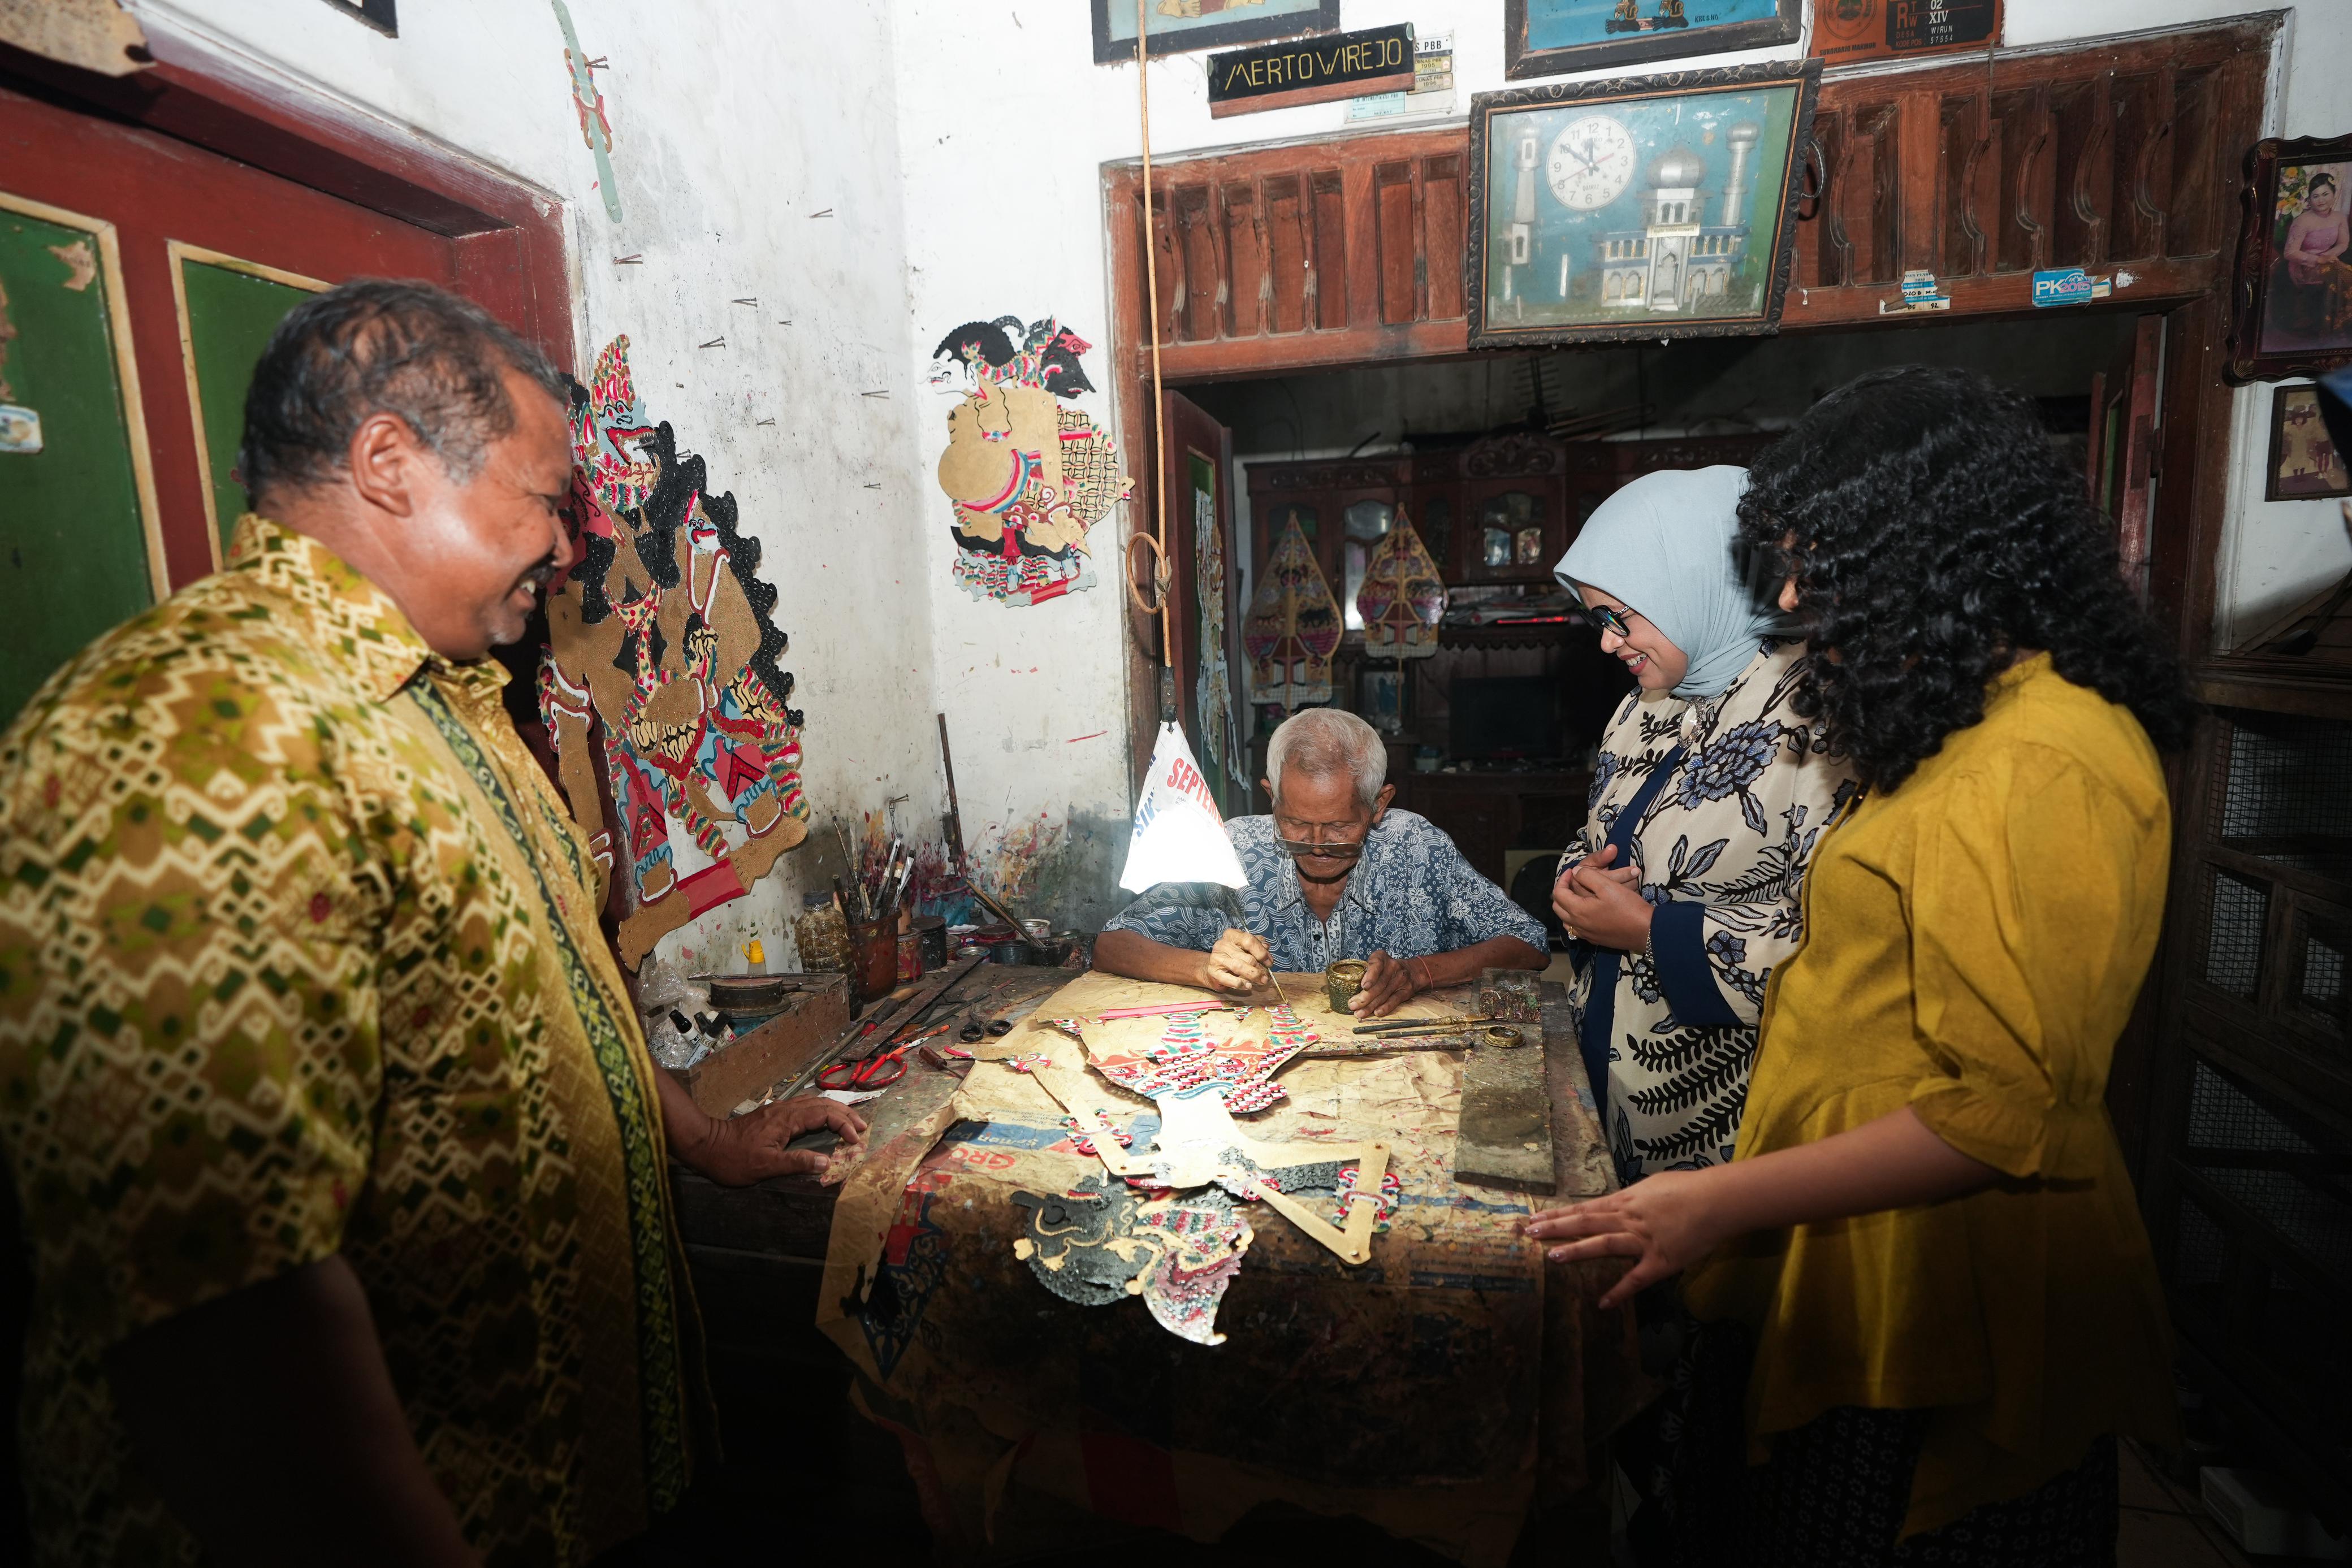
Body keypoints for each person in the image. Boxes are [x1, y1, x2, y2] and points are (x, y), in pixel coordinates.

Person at [0, 279, 864, 1565]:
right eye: (540, 498)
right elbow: (227, 1316)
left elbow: (548, 991)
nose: (567, 547)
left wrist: (706, 1138)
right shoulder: (194, 725)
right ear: (390, 464)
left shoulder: (450, 702)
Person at [1527, 365, 2191, 1566]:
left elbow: (1997, 1111)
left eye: (1814, 561)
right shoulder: (1964, 727)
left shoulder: (2041, 761)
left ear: (1933, 547)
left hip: (1940, 1274)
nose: (1787, 596)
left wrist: (1712, 1199)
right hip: (1856, 1233)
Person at [1550, 465, 1854, 1184]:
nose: (1607, 643)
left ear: (1690, 581)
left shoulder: (1819, 716)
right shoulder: (1640, 708)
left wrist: (1652, 932)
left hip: (1731, 1122)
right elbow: (1604, 835)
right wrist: (1573, 884)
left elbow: (1840, 948)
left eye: (1622, 616)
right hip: (1614, 1082)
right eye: (1598, 620)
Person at [1094, 708, 1547, 1016]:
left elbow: (1528, 943)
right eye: (1294, 823)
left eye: (1339, 829)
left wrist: (1419, 973)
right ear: (1271, 797)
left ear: (1378, 805)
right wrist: (1201, 968)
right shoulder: (1229, 848)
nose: (1316, 846)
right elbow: (1112, 944)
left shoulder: (1415, 846)